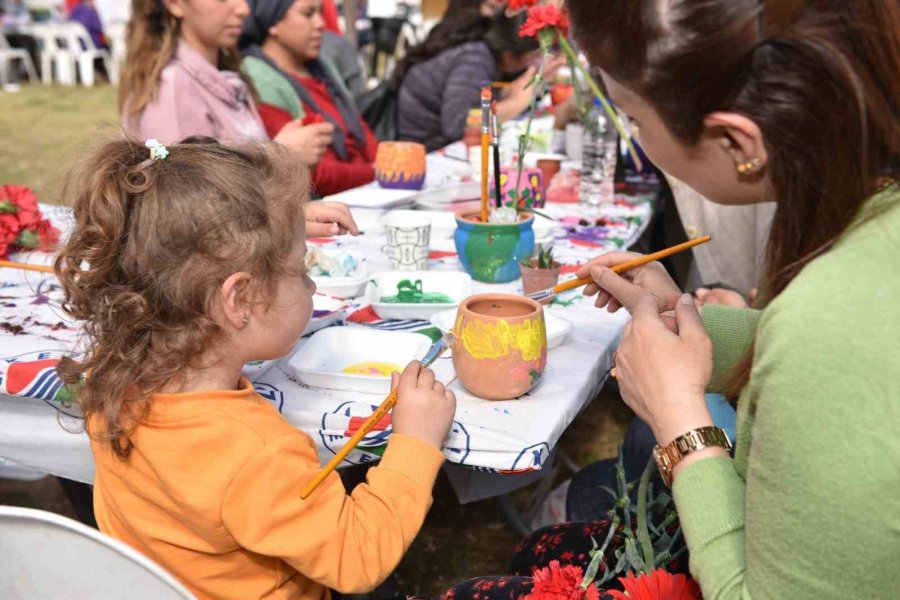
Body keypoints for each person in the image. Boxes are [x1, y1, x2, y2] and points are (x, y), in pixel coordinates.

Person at [55, 136, 457, 600]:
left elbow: (168, 246)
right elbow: (357, 557)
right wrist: (416, 442)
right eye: (300, 268)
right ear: (240, 299)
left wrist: (275, 234)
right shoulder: (258, 453)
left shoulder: (111, 380)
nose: (308, 282)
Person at [120, 0, 355, 237]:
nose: (242, 9)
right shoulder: (170, 88)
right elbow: (186, 212)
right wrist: (281, 154)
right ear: (175, 4)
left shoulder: (225, 78)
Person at [240, 0, 381, 197]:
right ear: (273, 22)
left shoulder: (320, 66)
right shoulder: (259, 77)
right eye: (308, 14)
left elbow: (358, 126)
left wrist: (386, 163)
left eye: (320, 13)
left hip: (361, 191)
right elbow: (311, 173)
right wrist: (378, 172)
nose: (320, 23)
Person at [393, 11, 543, 152]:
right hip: (422, 151)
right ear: (511, 55)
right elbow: (458, 124)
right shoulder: (475, 60)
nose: (534, 62)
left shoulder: (483, 49)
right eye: (534, 56)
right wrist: (516, 103)